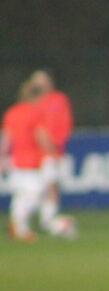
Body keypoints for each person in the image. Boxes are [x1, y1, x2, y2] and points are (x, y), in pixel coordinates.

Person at [0, 80, 55, 242]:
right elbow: (41, 135)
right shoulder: (34, 112)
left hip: (16, 160)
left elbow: (6, 138)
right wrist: (51, 150)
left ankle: (19, 229)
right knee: (34, 194)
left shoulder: (12, 112)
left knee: (21, 196)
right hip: (31, 160)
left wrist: (2, 157)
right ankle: (17, 224)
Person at [28, 69, 73, 233]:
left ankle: (46, 221)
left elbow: (64, 123)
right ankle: (41, 221)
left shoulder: (58, 99)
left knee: (50, 186)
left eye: (42, 82)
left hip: (50, 151)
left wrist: (56, 146)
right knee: (38, 188)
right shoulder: (31, 102)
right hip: (32, 154)